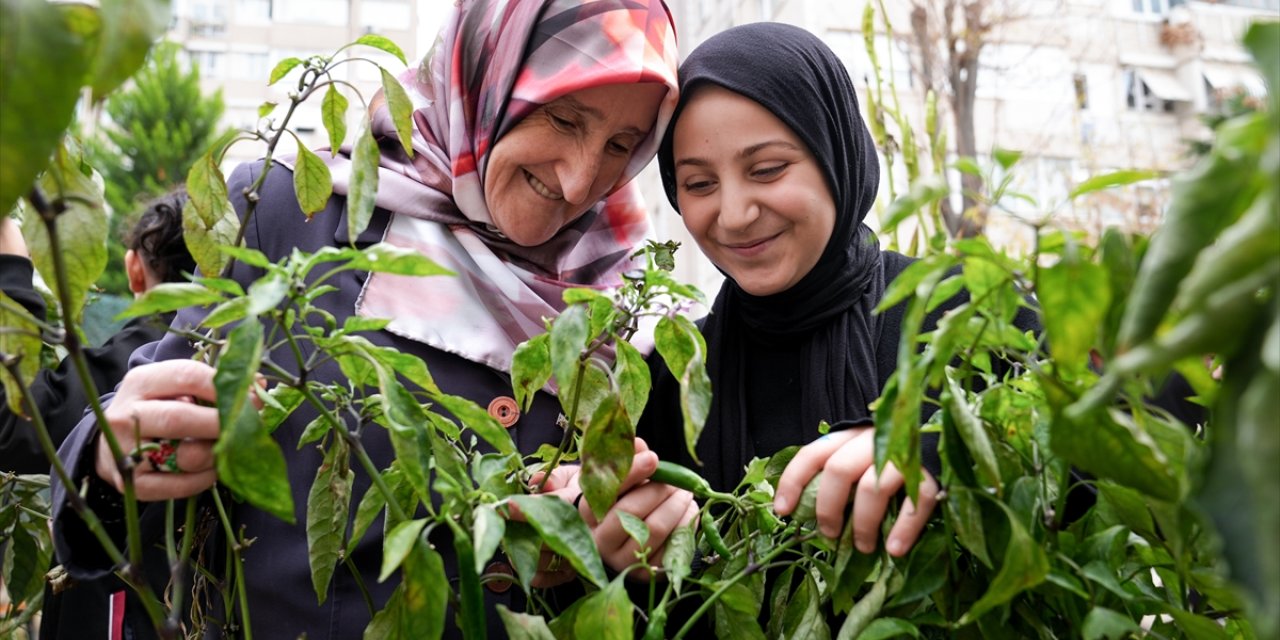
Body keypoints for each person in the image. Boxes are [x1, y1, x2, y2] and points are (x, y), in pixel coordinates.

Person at [49, 1, 692, 638]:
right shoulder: (297, 212)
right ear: (485, 75)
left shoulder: (617, 294)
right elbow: (128, 459)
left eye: (621, 145)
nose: (583, 183)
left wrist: (597, 535)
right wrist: (110, 460)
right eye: (563, 118)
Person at [641, 22, 1041, 560]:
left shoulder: (958, 308)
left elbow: (1120, 440)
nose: (734, 215)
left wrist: (945, 453)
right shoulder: (678, 373)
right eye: (699, 184)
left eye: (767, 169)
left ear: (837, 156)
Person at [1, 191, 196, 640]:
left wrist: (10, 269)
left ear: (133, 269)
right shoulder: (250, 360)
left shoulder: (140, 362)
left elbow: (11, 422)